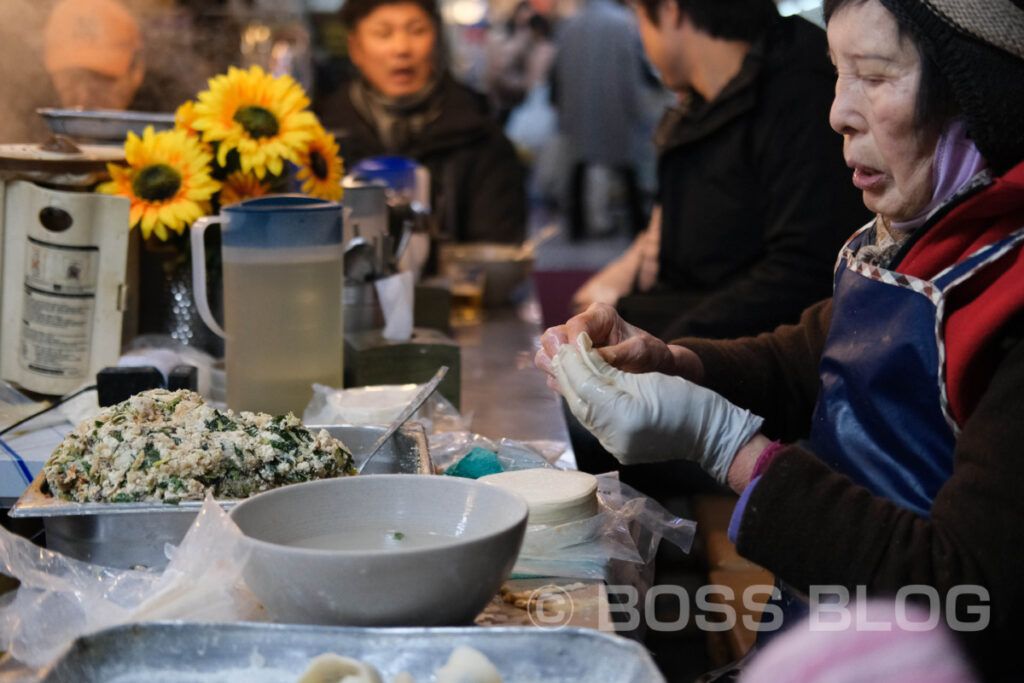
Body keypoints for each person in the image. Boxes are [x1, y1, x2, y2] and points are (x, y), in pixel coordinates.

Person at [536, 0, 1024, 678]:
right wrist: (673, 360)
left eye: (875, 77)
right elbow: (807, 359)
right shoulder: (913, 243)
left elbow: (962, 593)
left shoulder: (1008, 297)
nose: (839, 113)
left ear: (980, 92)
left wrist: (727, 445)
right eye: (838, 73)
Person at [571, 0, 870, 341]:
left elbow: (804, 273)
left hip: (752, 363)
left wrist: (664, 347)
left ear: (671, 10)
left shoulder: (803, 89)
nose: (638, 31)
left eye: (639, 15)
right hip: (700, 334)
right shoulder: (708, 98)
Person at [316, 0, 527, 245]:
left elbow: (495, 247)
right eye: (383, 33)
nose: (402, 48)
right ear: (355, 48)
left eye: (417, 31)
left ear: (435, 39)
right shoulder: (322, 140)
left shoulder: (482, 138)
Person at [550, 0, 660, 240]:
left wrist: (562, 109)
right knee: (626, 168)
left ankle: (577, 229)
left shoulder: (571, 25)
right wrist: (637, 110)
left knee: (578, 168)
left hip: (579, 107)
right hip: (614, 107)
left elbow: (557, 73)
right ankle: (637, 228)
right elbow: (631, 72)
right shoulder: (622, 23)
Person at [43, 0, 145, 111]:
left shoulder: (164, 118)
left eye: (100, 78)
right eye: (71, 79)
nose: (84, 98)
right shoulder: (30, 114)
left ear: (136, 73)